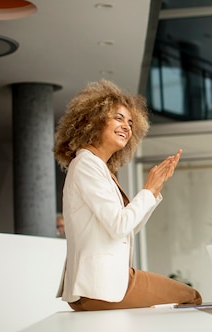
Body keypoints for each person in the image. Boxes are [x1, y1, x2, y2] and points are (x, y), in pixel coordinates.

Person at [53, 79, 202, 311]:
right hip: (99, 286)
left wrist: (154, 191)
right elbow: (119, 225)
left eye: (131, 123)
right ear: (94, 120)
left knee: (166, 305)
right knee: (191, 296)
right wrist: (147, 190)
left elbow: (127, 228)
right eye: (119, 118)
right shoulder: (86, 165)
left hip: (106, 283)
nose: (127, 127)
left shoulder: (100, 168)